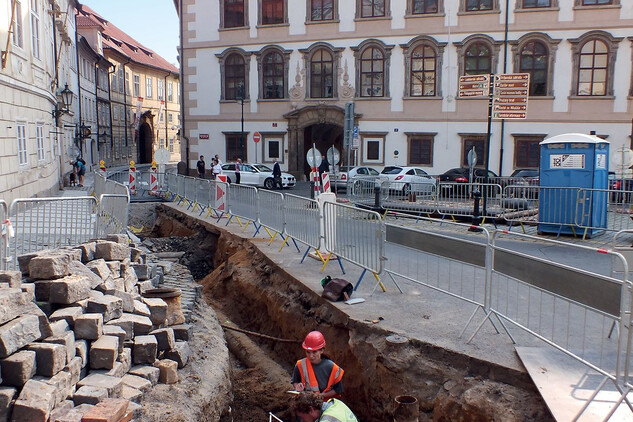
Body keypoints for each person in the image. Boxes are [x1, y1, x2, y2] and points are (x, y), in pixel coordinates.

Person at [292, 331, 343, 400]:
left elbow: (337, 389)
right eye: (308, 352)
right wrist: (297, 387)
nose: (311, 356)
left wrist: (321, 395)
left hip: (326, 402)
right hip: (307, 401)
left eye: (314, 352)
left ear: (322, 350)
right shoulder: (300, 365)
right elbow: (295, 381)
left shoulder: (332, 367)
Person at [292, 392, 358, 422]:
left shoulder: (328, 419)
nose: (302, 420)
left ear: (311, 410)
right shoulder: (335, 403)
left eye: (302, 417)